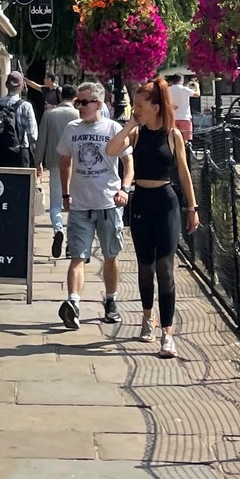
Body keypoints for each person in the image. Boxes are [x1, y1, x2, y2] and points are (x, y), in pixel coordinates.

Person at [108, 75, 200, 357]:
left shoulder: (173, 136)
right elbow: (110, 150)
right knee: (146, 267)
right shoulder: (136, 132)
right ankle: (148, 316)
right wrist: (130, 124)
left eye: (140, 105)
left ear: (156, 106)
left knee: (165, 268)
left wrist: (192, 208)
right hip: (142, 202)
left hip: (166, 202)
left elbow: (183, 174)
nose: (136, 109)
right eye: (134, 105)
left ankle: (168, 334)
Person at [56, 82, 132, 329]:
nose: (79, 106)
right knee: (77, 256)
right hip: (80, 205)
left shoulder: (112, 128)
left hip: (108, 203)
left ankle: (111, 301)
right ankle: (73, 303)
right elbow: (65, 162)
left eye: (84, 102)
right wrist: (65, 194)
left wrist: (124, 189)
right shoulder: (71, 129)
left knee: (110, 255)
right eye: (77, 102)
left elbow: (128, 164)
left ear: (98, 104)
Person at [36, 85, 80, 260]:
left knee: (56, 203)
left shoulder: (49, 115)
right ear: (75, 97)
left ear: (60, 95)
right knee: (73, 204)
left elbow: (41, 140)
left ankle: (58, 229)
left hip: (55, 163)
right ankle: (71, 244)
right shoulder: (79, 115)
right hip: (76, 164)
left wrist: (37, 162)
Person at [0, 71, 38, 168]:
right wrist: (37, 159)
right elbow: (33, 136)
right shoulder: (26, 106)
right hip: (20, 154)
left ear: (6, 85)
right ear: (22, 87)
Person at [166, 73, 199, 145]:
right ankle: (184, 154)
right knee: (184, 140)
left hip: (173, 117)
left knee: (173, 138)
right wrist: (197, 86)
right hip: (185, 117)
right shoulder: (185, 90)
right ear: (181, 80)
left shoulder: (168, 90)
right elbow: (197, 94)